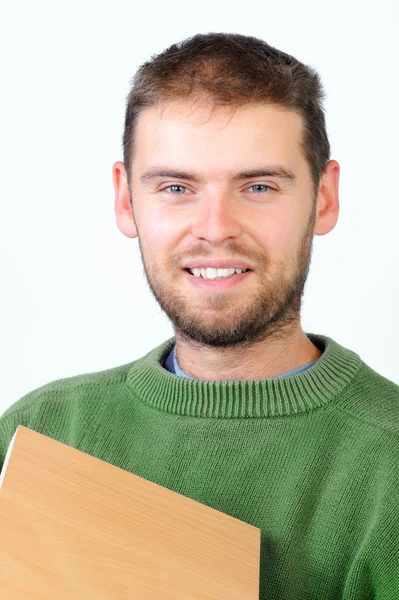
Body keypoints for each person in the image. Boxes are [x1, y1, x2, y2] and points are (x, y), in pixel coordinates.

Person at [1, 32, 398, 599]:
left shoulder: (390, 461)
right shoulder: (40, 433)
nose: (215, 228)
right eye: (177, 187)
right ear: (126, 199)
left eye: (258, 186)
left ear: (324, 197)